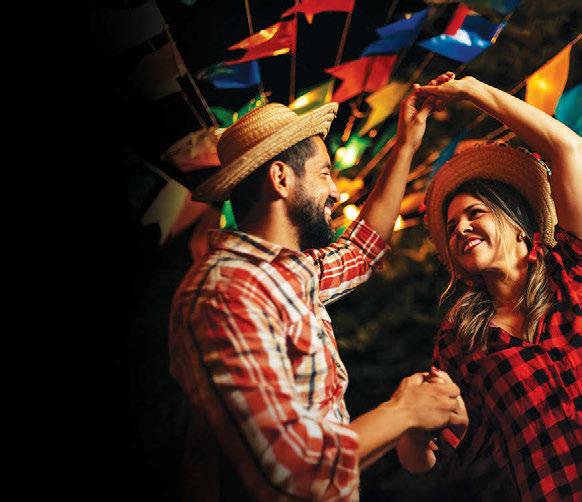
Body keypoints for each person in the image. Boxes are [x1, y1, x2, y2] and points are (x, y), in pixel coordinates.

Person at [168, 74, 466, 501]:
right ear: (281, 178)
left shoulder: (288, 273)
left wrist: (405, 146)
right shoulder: (226, 292)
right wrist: (403, 411)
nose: (334, 191)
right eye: (324, 173)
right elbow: (295, 470)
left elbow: (362, 250)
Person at [395, 73, 582, 501]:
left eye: (475, 213)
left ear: (518, 225)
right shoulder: (461, 340)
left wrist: (471, 90)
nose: (461, 228)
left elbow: (568, 148)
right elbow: (429, 459)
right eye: (451, 227)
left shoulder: (572, 268)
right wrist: (409, 426)